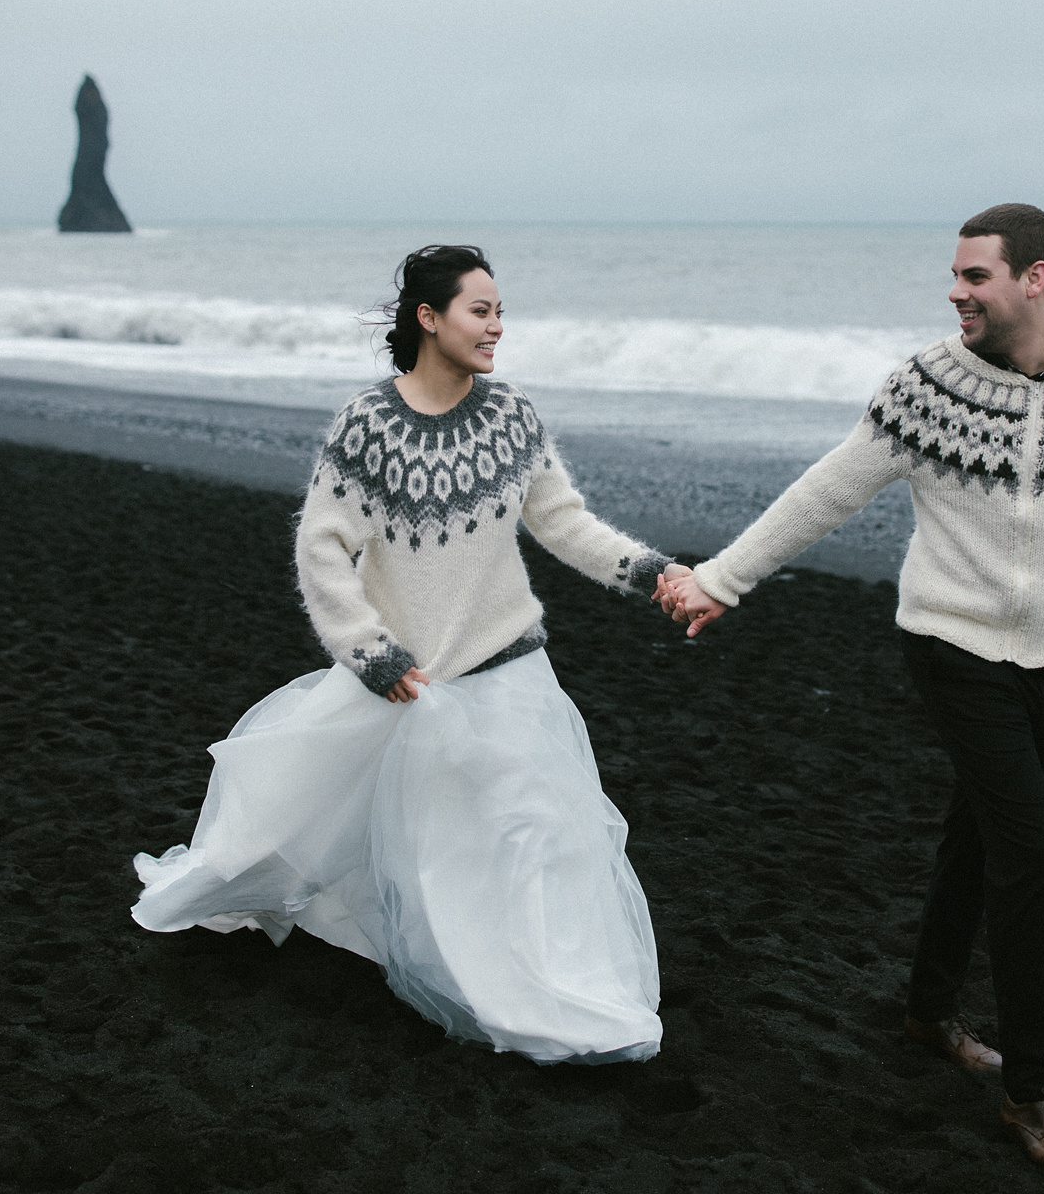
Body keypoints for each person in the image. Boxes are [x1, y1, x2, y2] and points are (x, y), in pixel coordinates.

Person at [657, 204, 1044, 1172]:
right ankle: (1033, 1094)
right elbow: (832, 487)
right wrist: (721, 580)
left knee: (981, 834)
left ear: (1037, 279)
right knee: (1033, 848)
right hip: (953, 648)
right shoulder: (929, 386)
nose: (955, 291)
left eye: (976, 276)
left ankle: (929, 1011)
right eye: (956, 275)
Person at [131, 244, 684, 1065]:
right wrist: (369, 653)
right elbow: (322, 549)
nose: (498, 325)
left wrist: (652, 572)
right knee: (293, 817)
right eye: (480, 310)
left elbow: (564, 522)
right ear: (429, 317)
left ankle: (559, 988)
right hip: (408, 680)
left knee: (543, 833)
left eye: (500, 310)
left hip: (509, 667)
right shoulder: (369, 427)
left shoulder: (513, 417)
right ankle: (227, 893)